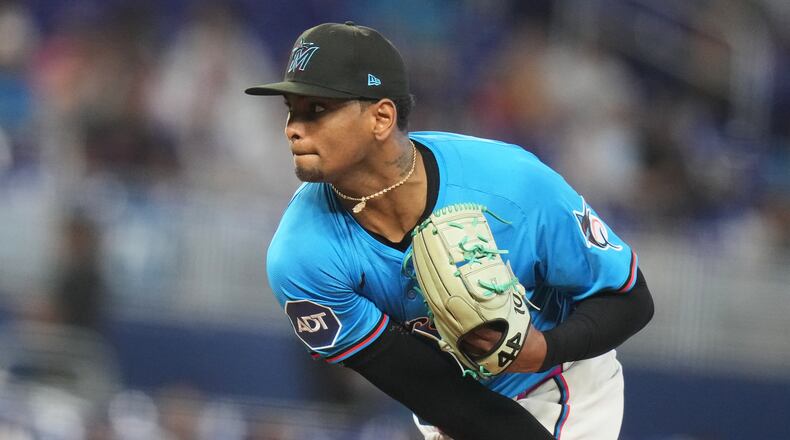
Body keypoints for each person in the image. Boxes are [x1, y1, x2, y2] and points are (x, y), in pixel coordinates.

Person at [247, 22, 654, 440]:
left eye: (317, 109)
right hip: (453, 411)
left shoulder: (512, 184)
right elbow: (429, 390)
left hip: (561, 386)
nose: (292, 128)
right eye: (290, 109)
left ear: (382, 117)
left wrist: (543, 351)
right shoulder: (300, 255)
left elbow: (631, 299)